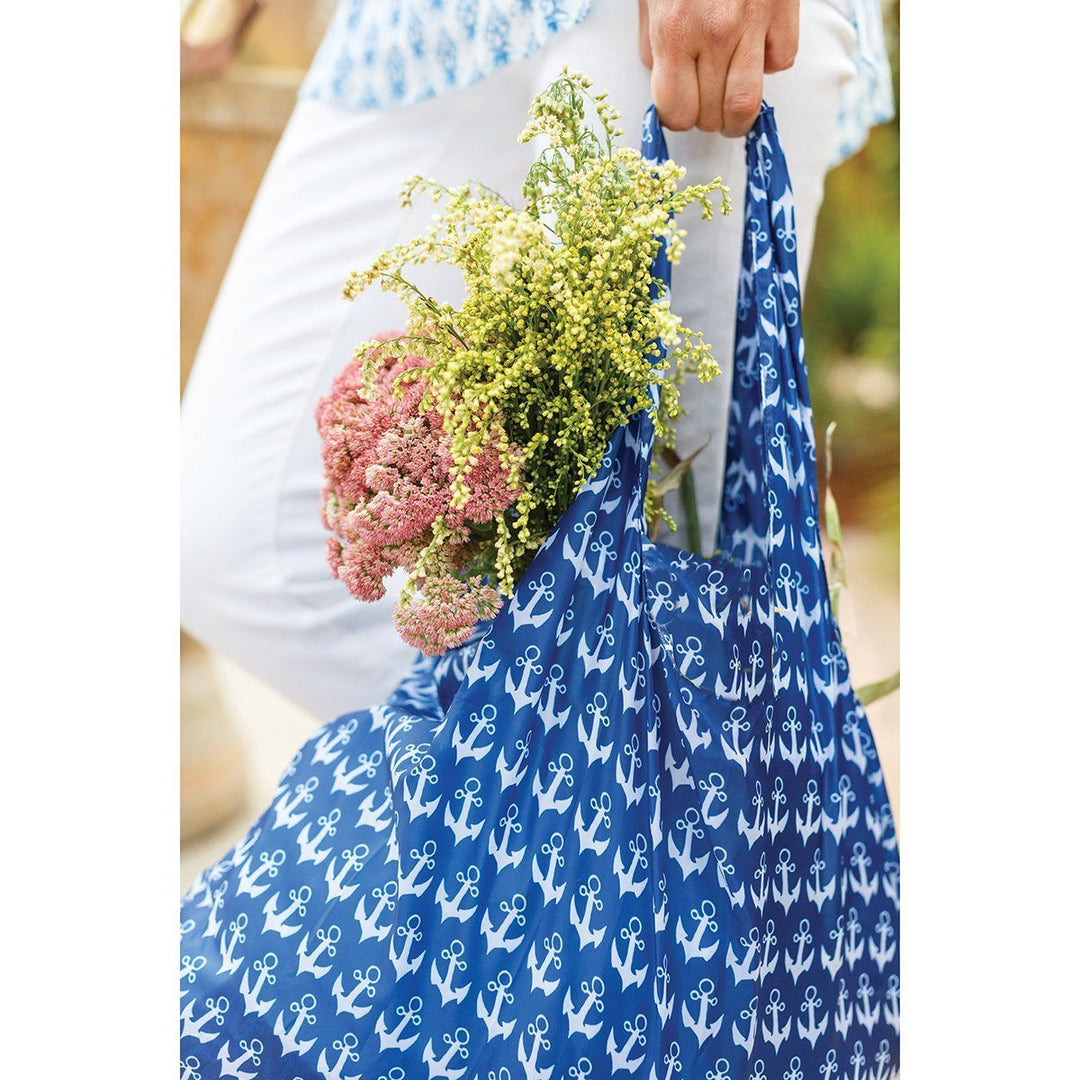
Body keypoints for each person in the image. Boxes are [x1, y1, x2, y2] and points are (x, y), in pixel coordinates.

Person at [180, 0, 893, 719]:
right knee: (237, 547)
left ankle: (637, 797)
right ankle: (541, 794)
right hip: (419, 26)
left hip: (647, 27)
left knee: (670, 603)